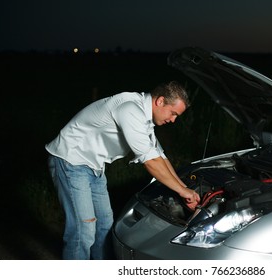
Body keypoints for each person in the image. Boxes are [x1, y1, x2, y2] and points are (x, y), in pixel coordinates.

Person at [45, 81, 200, 260]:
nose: (173, 120)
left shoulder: (146, 119)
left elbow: (160, 158)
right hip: (70, 161)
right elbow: (151, 163)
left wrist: (184, 190)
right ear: (160, 101)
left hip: (94, 167)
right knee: (83, 230)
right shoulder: (130, 110)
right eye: (173, 113)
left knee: (104, 226)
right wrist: (182, 191)